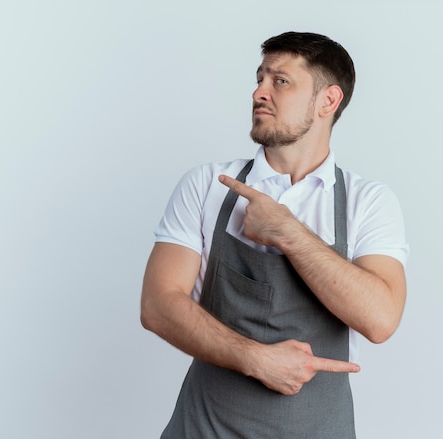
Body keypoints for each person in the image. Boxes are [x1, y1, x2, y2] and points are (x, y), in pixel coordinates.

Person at [141, 31, 409, 438]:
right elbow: (158, 306)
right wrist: (256, 359)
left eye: (280, 81)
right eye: (259, 78)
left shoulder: (367, 201)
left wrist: (289, 233)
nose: (259, 92)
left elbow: (380, 319)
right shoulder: (208, 185)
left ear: (328, 101)